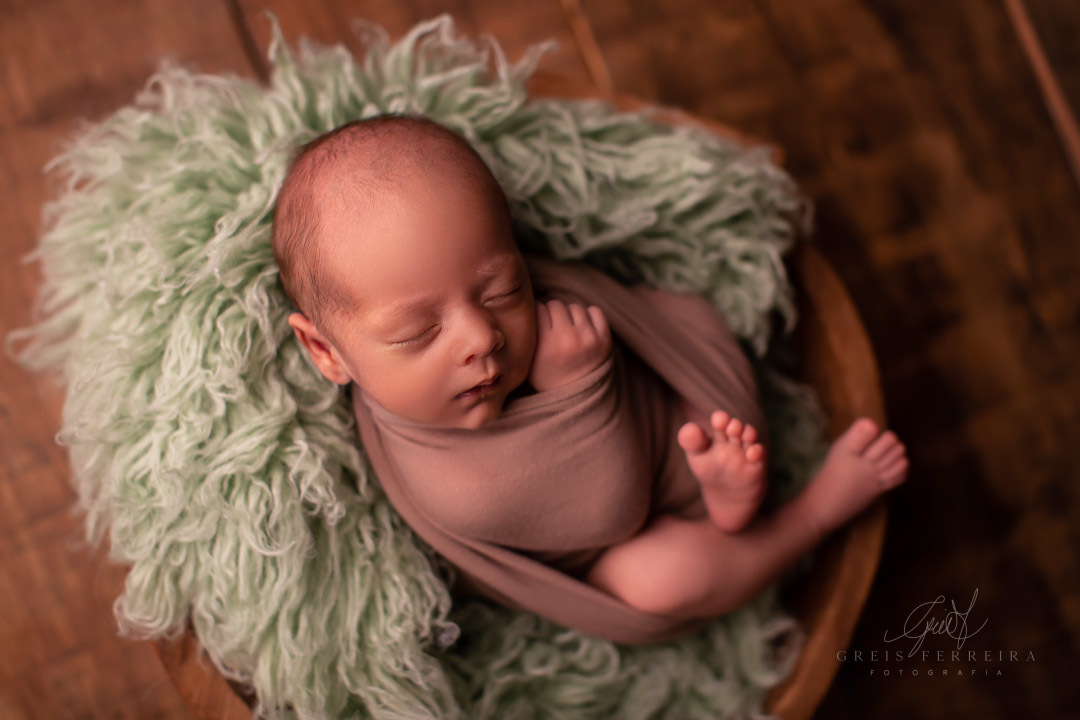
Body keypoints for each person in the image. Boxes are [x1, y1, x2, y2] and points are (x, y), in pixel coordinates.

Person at [271, 114, 908, 639]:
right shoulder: (453, 488)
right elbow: (612, 515)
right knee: (660, 579)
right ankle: (811, 516)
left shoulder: (481, 317)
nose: (481, 337)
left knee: (708, 430)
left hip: (672, 425)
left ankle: (721, 488)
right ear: (326, 353)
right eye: (419, 333)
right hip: (611, 534)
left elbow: (624, 305)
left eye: (501, 288)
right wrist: (579, 388)